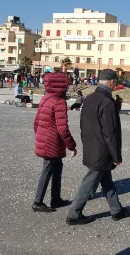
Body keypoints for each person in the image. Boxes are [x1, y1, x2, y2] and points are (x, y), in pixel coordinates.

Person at [67, 69, 130, 225]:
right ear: (110, 83)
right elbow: (111, 132)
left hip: (91, 146)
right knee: (89, 183)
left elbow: (84, 123)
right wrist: (116, 156)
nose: (115, 84)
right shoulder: (107, 102)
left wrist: (117, 107)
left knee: (106, 180)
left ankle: (116, 210)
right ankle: (73, 214)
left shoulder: (90, 98)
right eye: (115, 82)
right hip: (102, 150)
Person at [32, 72, 77, 213]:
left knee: (57, 168)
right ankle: (37, 202)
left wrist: (41, 136)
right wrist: (72, 145)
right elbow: (62, 128)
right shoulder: (59, 102)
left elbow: (36, 122)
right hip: (52, 142)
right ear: (61, 85)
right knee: (47, 170)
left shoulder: (45, 99)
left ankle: (56, 199)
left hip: (47, 140)